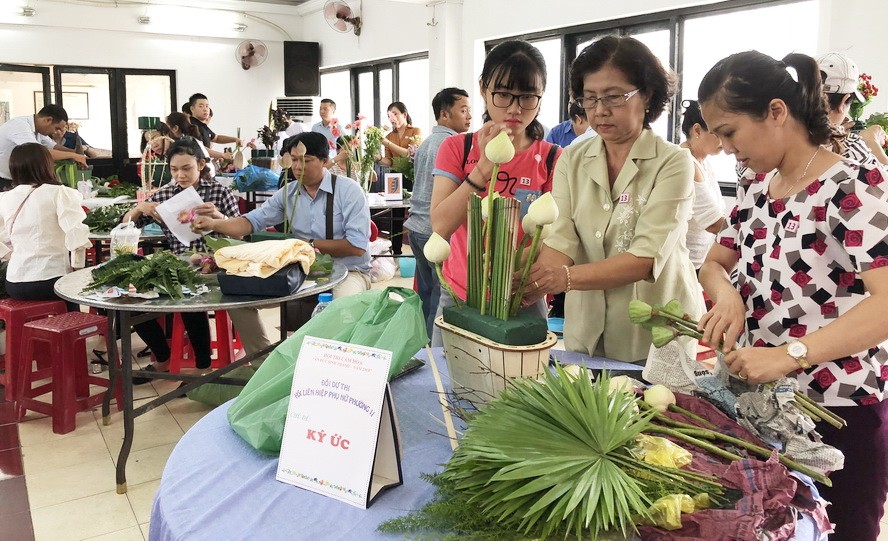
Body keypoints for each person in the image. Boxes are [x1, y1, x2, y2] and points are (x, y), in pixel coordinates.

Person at [696, 50, 888, 541]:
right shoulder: (758, 190)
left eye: (730, 131)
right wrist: (729, 298)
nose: (723, 146)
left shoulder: (854, 187)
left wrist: (790, 355)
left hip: (840, 408)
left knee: (843, 527)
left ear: (777, 111)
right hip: (764, 403)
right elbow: (713, 264)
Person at [521, 35, 700, 364]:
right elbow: (561, 238)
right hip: (586, 328)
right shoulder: (572, 159)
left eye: (614, 97)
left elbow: (644, 258)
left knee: (653, 412)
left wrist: (565, 279)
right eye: (589, 99)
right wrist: (529, 280)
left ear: (646, 95)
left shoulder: (673, 162)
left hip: (654, 330)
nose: (600, 111)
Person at [430, 40, 562, 347]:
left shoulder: (555, 157)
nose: (515, 108)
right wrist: (482, 170)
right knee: (446, 387)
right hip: (459, 296)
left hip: (523, 300)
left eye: (527, 96)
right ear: (483, 89)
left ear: (540, 98)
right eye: (503, 94)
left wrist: (528, 273)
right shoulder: (457, 148)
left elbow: (557, 236)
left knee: (520, 390)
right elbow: (439, 226)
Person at [123, 137, 271, 381]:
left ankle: (202, 366)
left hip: (214, 262)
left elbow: (241, 235)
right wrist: (140, 209)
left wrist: (218, 217)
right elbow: (125, 227)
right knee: (132, 291)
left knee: (188, 294)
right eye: (174, 169)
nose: (180, 175)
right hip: (177, 262)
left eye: (186, 168)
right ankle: (162, 356)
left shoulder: (218, 191)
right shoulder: (166, 195)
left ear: (201, 165)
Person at [192, 132, 372, 298]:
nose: (297, 167)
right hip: (301, 269)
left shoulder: (349, 191)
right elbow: (251, 222)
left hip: (350, 271)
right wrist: (213, 224)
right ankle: (257, 335)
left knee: (342, 306)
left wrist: (304, 246)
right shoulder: (288, 193)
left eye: (305, 160)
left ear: (325, 161)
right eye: (294, 160)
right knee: (236, 295)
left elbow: (357, 246)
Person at [406, 87, 472, 340]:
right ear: (444, 115)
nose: (469, 116)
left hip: (416, 227)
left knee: (425, 293)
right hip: (435, 232)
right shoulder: (450, 144)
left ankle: (421, 347)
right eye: (463, 110)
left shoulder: (425, 144)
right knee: (441, 295)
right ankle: (434, 353)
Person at [0, 143, 90, 307]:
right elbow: (76, 234)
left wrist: (11, 257)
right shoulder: (59, 193)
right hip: (51, 280)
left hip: (14, 283)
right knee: (79, 286)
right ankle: (78, 329)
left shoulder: (4, 198)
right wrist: (78, 269)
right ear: (47, 165)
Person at [679, 100, 726, 270]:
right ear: (697, 130)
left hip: (698, 263)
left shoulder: (702, 161)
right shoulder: (686, 162)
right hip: (687, 266)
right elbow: (713, 222)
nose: (725, 139)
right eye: (718, 133)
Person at [817, 52, 888, 166]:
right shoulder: (850, 147)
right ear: (844, 101)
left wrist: (835, 131)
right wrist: (871, 141)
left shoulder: (786, 133)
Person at [0, 104, 88, 191]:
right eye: (56, 128)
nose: (56, 132)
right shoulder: (20, 126)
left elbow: (54, 147)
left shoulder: (38, 129)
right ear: (48, 120)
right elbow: (39, 153)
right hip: (3, 180)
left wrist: (75, 152)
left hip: (18, 180)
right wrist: (74, 156)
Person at [187, 93, 243, 161]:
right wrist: (222, 155)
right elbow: (200, 147)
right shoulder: (192, 125)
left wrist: (234, 139)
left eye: (207, 106)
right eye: (201, 106)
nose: (205, 109)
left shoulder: (202, 125)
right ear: (192, 109)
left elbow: (216, 138)